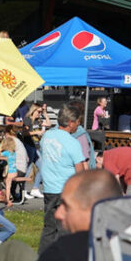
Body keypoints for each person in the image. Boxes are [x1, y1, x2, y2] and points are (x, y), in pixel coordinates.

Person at [37, 103, 88, 252]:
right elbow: (80, 171)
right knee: (65, 227)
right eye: (78, 123)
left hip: (49, 188)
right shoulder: (72, 143)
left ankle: (43, 258)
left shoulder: (47, 136)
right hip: (66, 190)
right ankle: (64, 258)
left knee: (49, 227)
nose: (78, 127)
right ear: (71, 123)